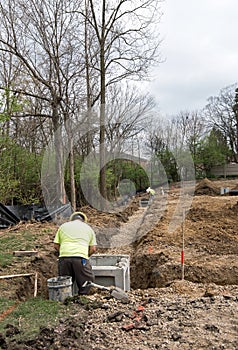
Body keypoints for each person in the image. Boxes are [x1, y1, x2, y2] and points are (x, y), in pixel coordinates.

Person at [53, 211, 97, 295]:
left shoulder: (63, 227)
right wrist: (85, 255)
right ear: (83, 220)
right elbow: (93, 249)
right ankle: (83, 298)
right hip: (80, 258)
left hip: (64, 257)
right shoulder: (88, 228)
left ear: (71, 219)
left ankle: (64, 299)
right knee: (86, 281)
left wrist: (63, 253)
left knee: (64, 282)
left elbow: (56, 245)